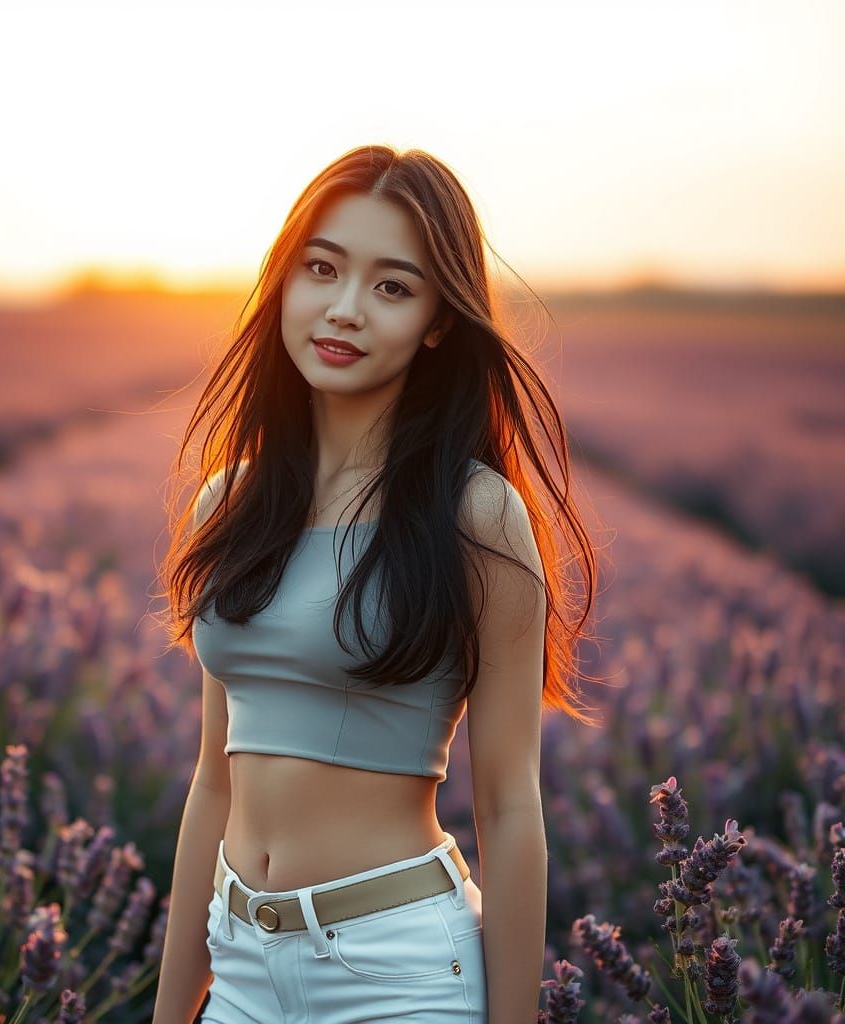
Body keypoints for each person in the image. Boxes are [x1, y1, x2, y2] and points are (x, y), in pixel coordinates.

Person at [152, 144, 600, 1024]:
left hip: (395, 971)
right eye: (322, 269)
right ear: (284, 280)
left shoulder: (475, 514)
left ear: (437, 321)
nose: (345, 308)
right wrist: (173, 1012)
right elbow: (214, 782)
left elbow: (510, 806)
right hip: (239, 965)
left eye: (392, 286)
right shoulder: (229, 501)